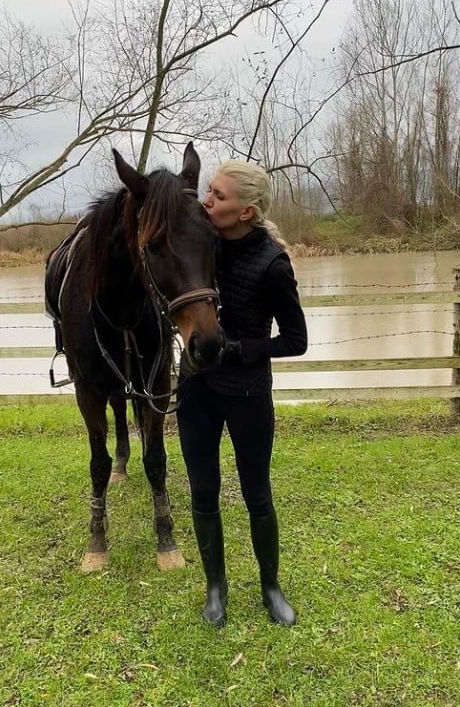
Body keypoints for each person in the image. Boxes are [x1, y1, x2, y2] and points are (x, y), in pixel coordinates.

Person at [176, 159, 308, 628]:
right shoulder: (200, 243)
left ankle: (270, 586)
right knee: (203, 490)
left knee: (257, 493)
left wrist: (240, 348)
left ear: (246, 212)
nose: (207, 200)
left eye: (218, 196)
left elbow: (296, 341)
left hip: (248, 392)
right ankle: (216, 586)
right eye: (208, 190)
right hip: (196, 388)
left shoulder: (272, 263)